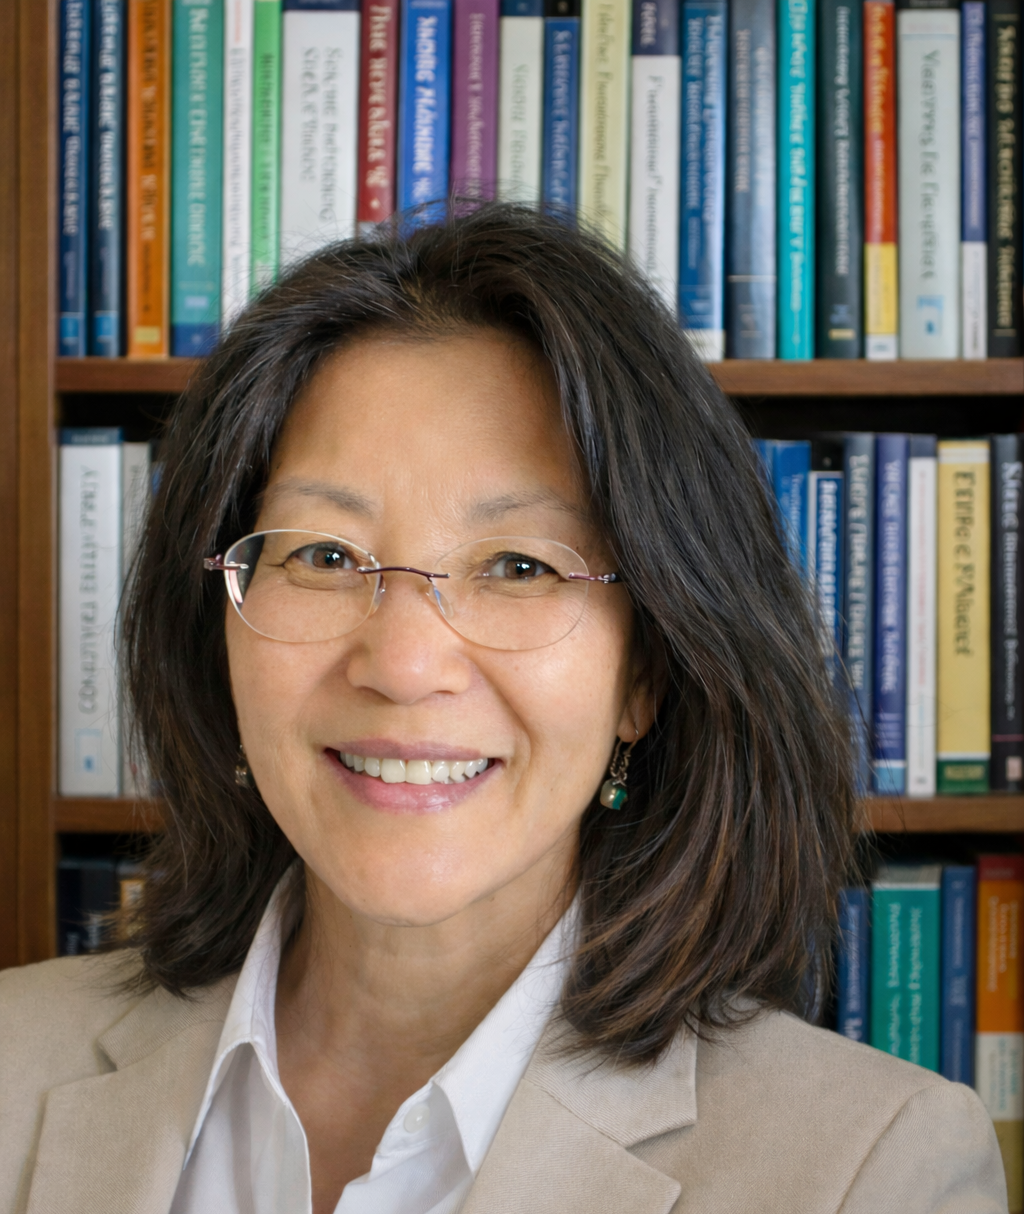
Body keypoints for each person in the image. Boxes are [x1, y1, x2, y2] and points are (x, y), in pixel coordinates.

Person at [0, 204, 1006, 1214]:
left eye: (518, 565)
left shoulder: (870, 1168)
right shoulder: (14, 1063)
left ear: (648, 669)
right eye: (322, 555)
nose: (402, 662)